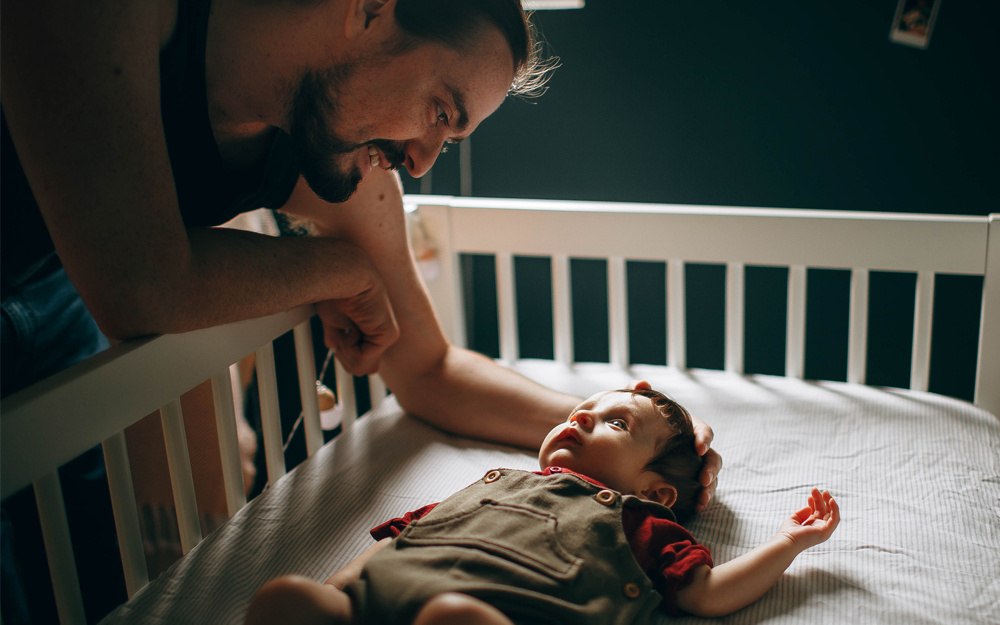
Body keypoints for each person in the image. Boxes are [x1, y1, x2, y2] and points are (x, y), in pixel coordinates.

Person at [245, 381, 841, 625]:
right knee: (288, 598)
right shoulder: (493, 482)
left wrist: (791, 542)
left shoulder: (639, 521)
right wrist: (337, 587)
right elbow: (399, 542)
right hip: (372, 603)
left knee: (457, 620)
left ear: (655, 491)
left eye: (614, 423)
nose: (578, 415)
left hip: (496, 614)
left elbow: (707, 594)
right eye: (577, 410)